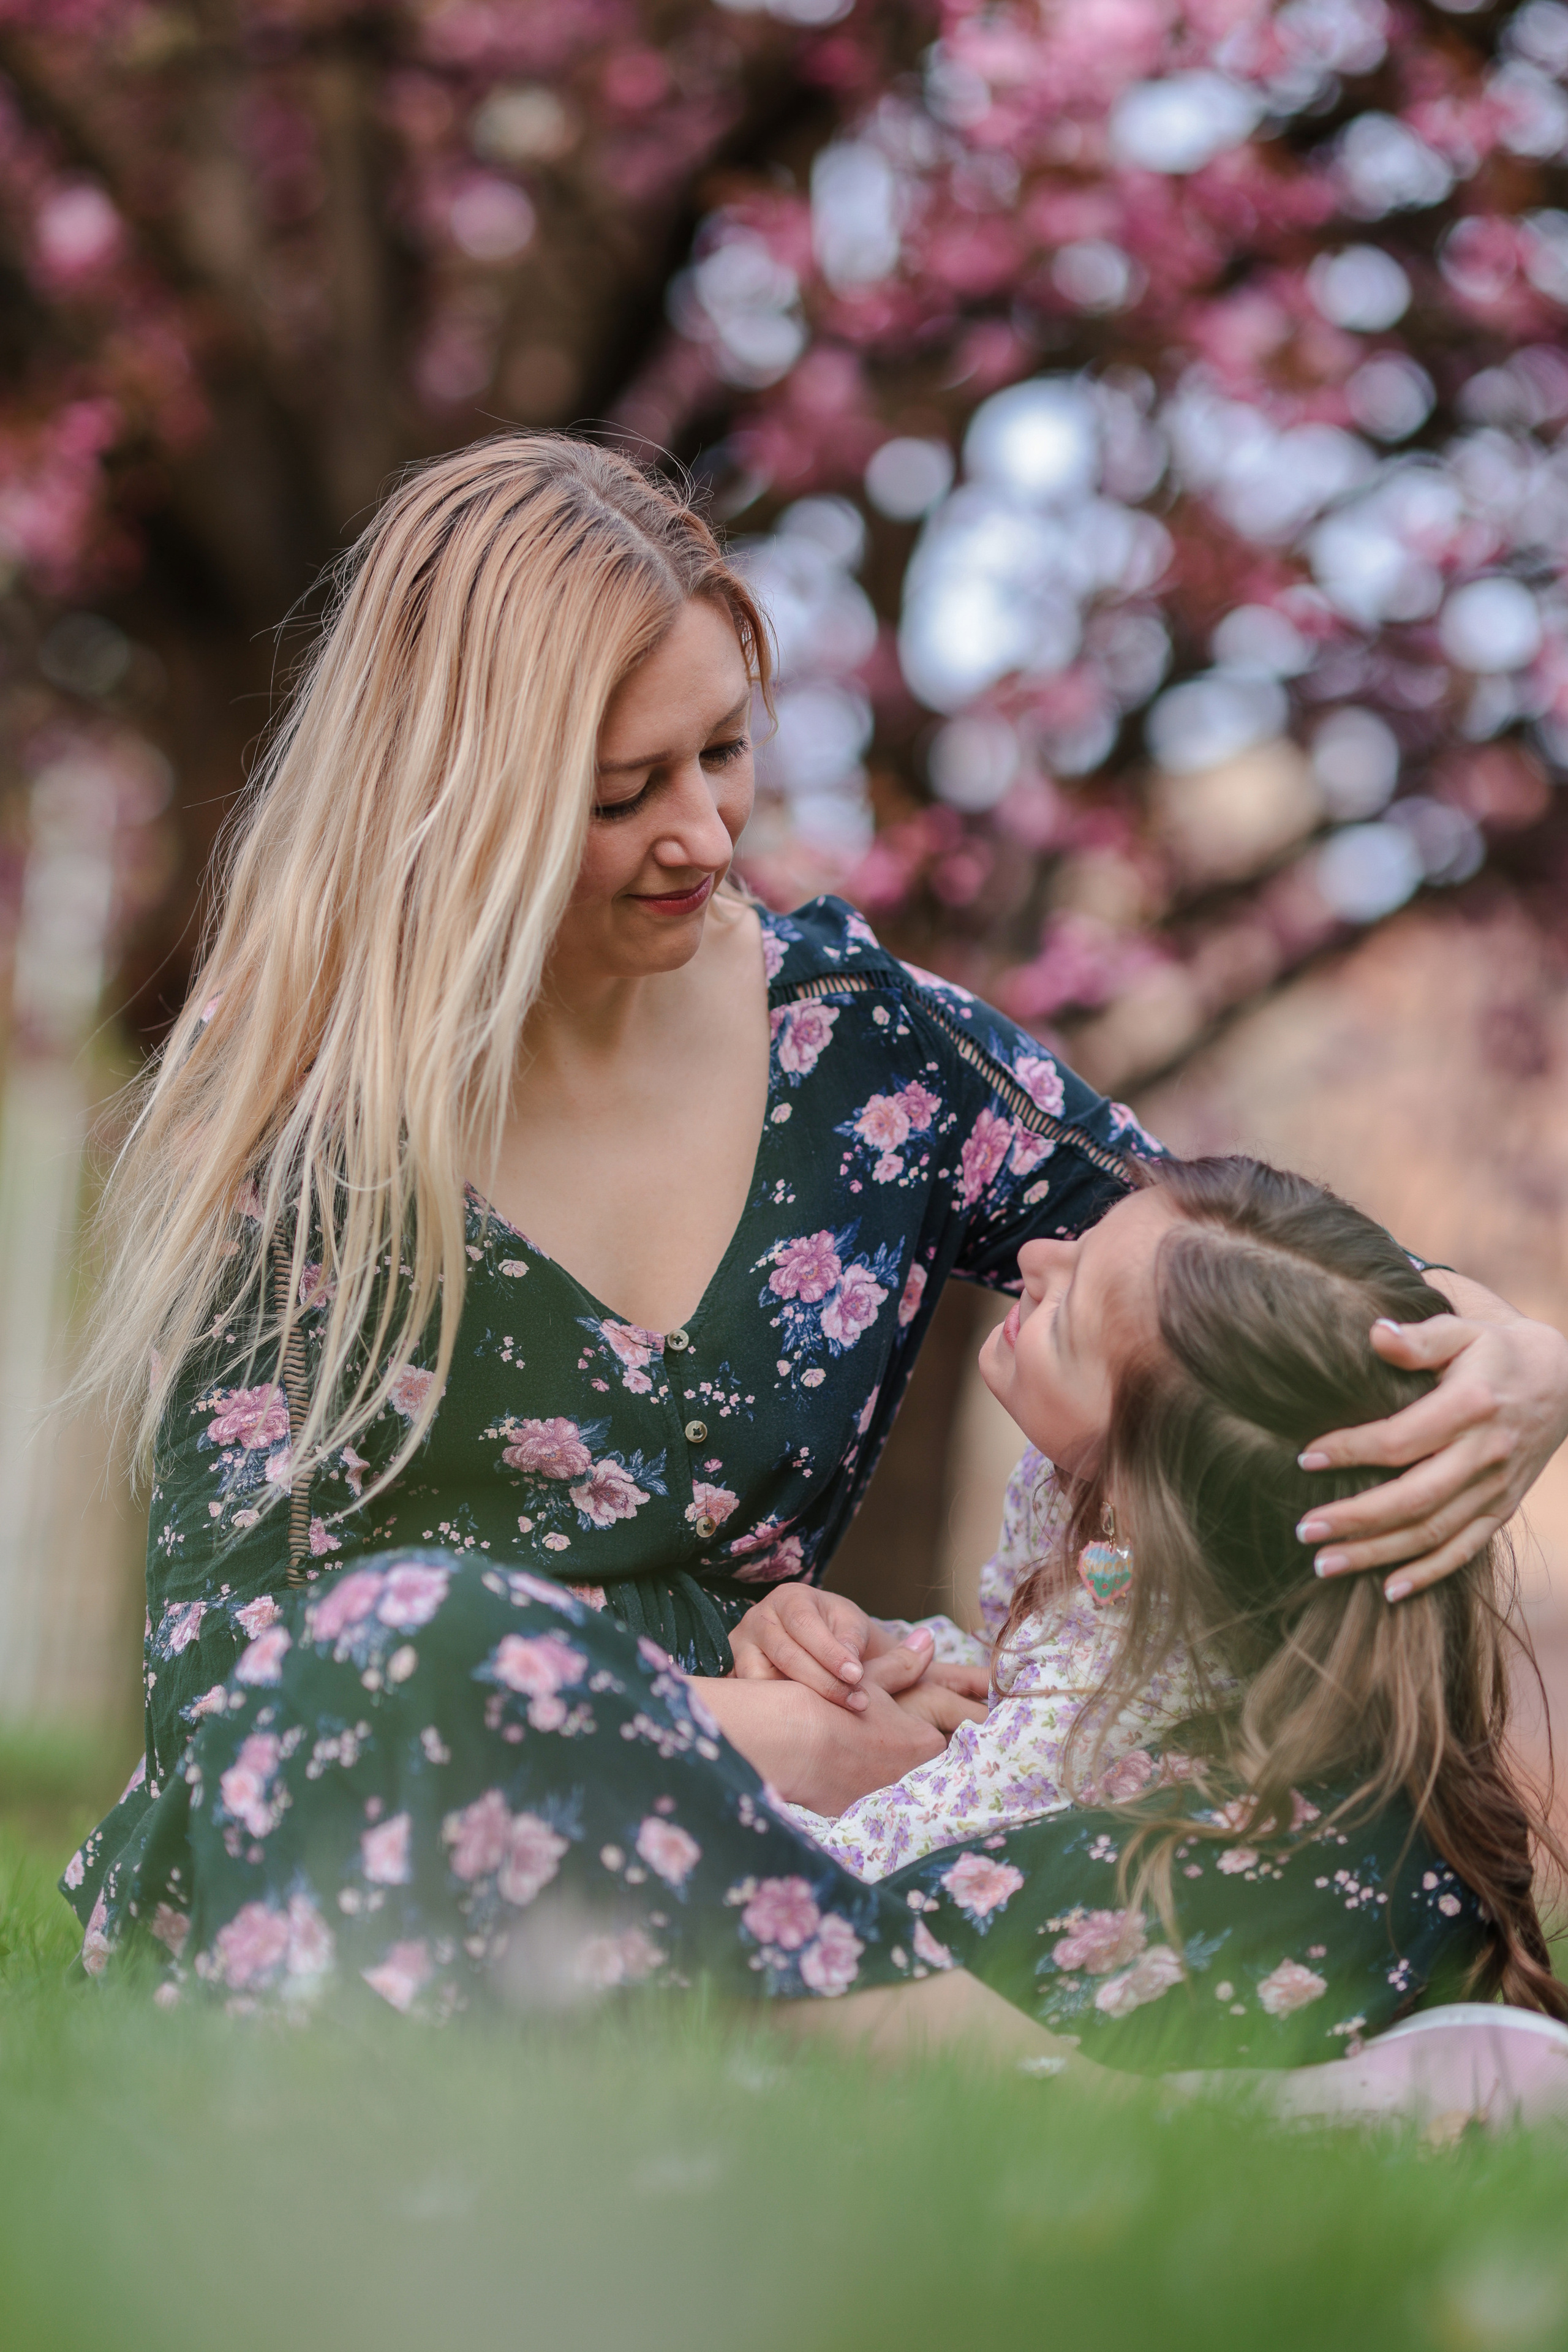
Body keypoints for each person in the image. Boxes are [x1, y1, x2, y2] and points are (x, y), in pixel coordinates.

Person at [58, 435, 1568, 2064]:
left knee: (1356, 1812)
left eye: (723, 754)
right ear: (459, 798)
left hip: (840, 1853)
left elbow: (1212, 1278)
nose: (705, 839)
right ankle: (1013, 2067)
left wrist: (1507, 1349)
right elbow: (226, 1675)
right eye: (623, 794)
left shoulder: (857, 1048)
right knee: (389, 1657)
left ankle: (862, 2036)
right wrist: (755, 1742)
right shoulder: (308, 1115)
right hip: (432, 1790)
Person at [778, 1158, 1568, 2060]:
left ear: (1137, 1504)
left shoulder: (1126, 1668)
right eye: (1080, 1240)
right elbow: (1021, 1677)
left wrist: (724, 1788)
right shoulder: (1111, 1513)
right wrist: (899, 1650)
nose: (1034, 1256)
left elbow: (868, 1871)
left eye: (1066, 1319)